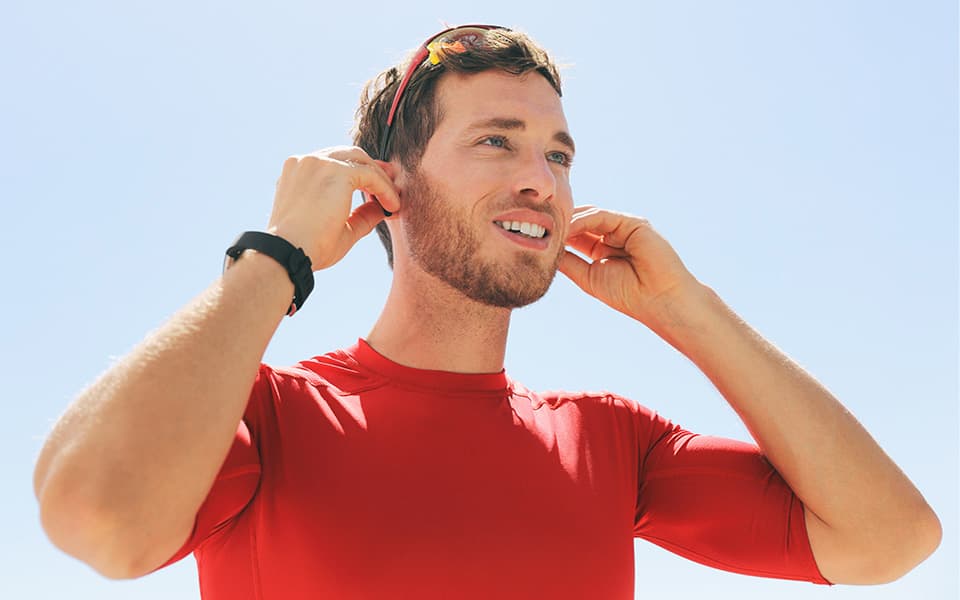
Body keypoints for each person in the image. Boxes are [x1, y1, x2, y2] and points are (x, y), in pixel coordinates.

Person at [34, 25, 940, 599]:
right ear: (387, 183)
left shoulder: (612, 445)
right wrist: (279, 256)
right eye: (495, 141)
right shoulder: (268, 419)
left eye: (558, 152)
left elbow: (891, 539)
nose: (540, 180)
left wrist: (688, 312)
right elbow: (96, 520)